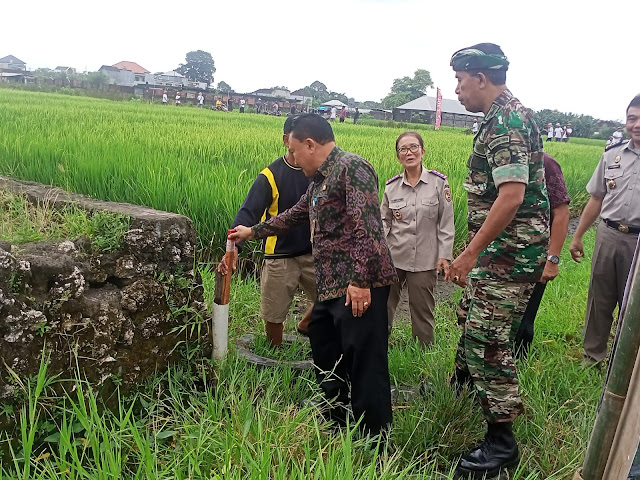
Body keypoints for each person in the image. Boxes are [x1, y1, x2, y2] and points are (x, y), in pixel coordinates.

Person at [229, 113, 397, 437]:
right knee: (322, 338)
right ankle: (338, 413)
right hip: (333, 286)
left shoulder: (351, 168)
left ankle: (374, 439)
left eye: (294, 151)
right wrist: (253, 231)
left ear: (310, 144)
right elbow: (294, 214)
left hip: (358, 285)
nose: (291, 158)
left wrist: (361, 282)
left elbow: (369, 230)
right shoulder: (320, 179)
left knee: (365, 362)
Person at [446, 43, 549, 478]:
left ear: (480, 78)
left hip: (508, 253)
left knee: (487, 340)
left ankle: (501, 444)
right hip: (499, 252)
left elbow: (512, 196)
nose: (457, 88)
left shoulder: (506, 120)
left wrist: (469, 254)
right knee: (470, 320)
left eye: (460, 79)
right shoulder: (499, 117)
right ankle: (463, 393)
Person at [219, 115, 316, 347]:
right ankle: (275, 351)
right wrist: (233, 250)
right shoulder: (270, 175)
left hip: (314, 252)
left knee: (333, 295)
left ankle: (306, 324)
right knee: (274, 312)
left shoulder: (316, 173)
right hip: (279, 252)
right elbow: (248, 213)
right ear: (287, 140)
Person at [569, 95, 640, 366]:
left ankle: (627, 363)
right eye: (632, 118)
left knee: (633, 302)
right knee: (600, 297)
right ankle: (592, 355)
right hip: (608, 234)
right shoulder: (613, 154)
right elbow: (596, 198)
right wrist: (577, 236)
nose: (636, 124)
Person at [381, 131, 455, 347]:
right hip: (394, 257)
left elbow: (446, 223)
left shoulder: (439, 183)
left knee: (422, 310)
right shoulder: (391, 187)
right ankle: (379, 348)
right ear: (398, 156)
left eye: (413, 147)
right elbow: (384, 221)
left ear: (423, 151)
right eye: (403, 149)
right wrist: (378, 252)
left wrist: (445, 255)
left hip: (425, 258)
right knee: (384, 306)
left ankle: (422, 354)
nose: (409, 152)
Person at [513, 153, 571, 358]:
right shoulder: (499, 160)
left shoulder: (546, 164)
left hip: (533, 256)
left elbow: (562, 214)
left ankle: (519, 365)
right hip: (499, 255)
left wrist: (552, 259)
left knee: (525, 317)